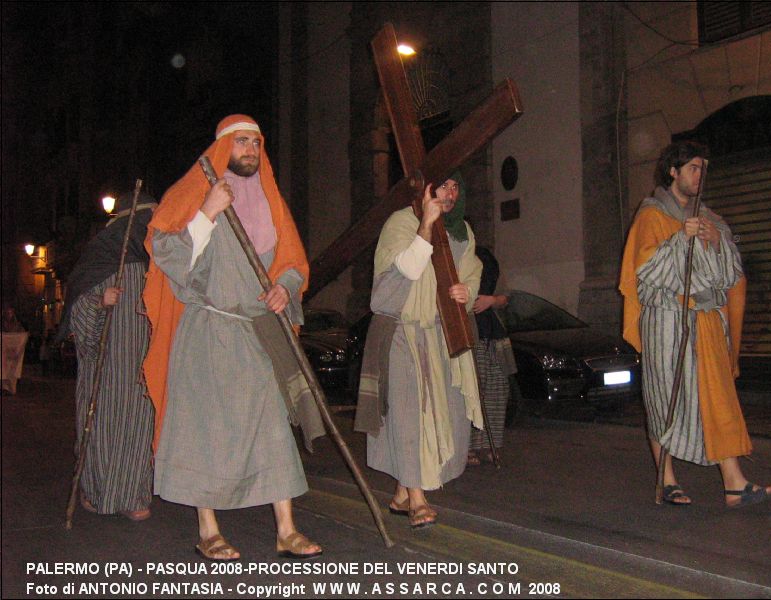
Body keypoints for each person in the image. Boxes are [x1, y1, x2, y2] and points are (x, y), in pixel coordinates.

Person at [143, 114, 325, 561]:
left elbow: (291, 260)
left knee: (271, 429)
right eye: (242, 142)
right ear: (224, 147)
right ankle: (209, 529)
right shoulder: (193, 192)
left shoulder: (269, 199)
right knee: (205, 431)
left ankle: (286, 528)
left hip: (257, 332)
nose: (250, 150)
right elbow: (167, 254)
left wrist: (285, 285)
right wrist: (206, 211)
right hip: (209, 330)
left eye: (256, 143)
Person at [619, 140, 771, 508]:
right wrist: (680, 240)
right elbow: (646, 274)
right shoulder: (651, 215)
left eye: (704, 168)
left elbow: (730, 277)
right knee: (664, 400)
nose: (699, 175)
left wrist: (716, 243)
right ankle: (667, 479)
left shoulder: (711, 220)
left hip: (705, 322)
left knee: (717, 397)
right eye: (693, 167)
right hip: (667, 323)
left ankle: (734, 482)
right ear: (673, 171)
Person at [355, 172, 483, 528]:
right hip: (402, 333)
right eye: (444, 185)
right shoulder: (401, 222)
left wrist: (466, 292)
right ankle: (416, 498)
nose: (451, 192)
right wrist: (425, 226)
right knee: (409, 415)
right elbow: (399, 274)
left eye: (457, 186)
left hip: (440, 336)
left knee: (435, 416)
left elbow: (472, 271)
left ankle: (400, 492)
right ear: (427, 188)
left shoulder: (462, 231)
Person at [58, 190, 158, 520]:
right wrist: (100, 302)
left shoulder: (155, 267)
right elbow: (79, 316)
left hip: (142, 367)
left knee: (138, 430)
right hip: (107, 368)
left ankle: (135, 496)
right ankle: (98, 493)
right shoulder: (101, 264)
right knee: (101, 429)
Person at [467, 246, 516, 466]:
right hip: (469, 333)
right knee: (471, 390)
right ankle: (467, 447)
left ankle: (489, 444)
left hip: (493, 333)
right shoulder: (451, 256)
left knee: (497, 388)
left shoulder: (488, 258)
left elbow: (505, 295)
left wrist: (491, 301)